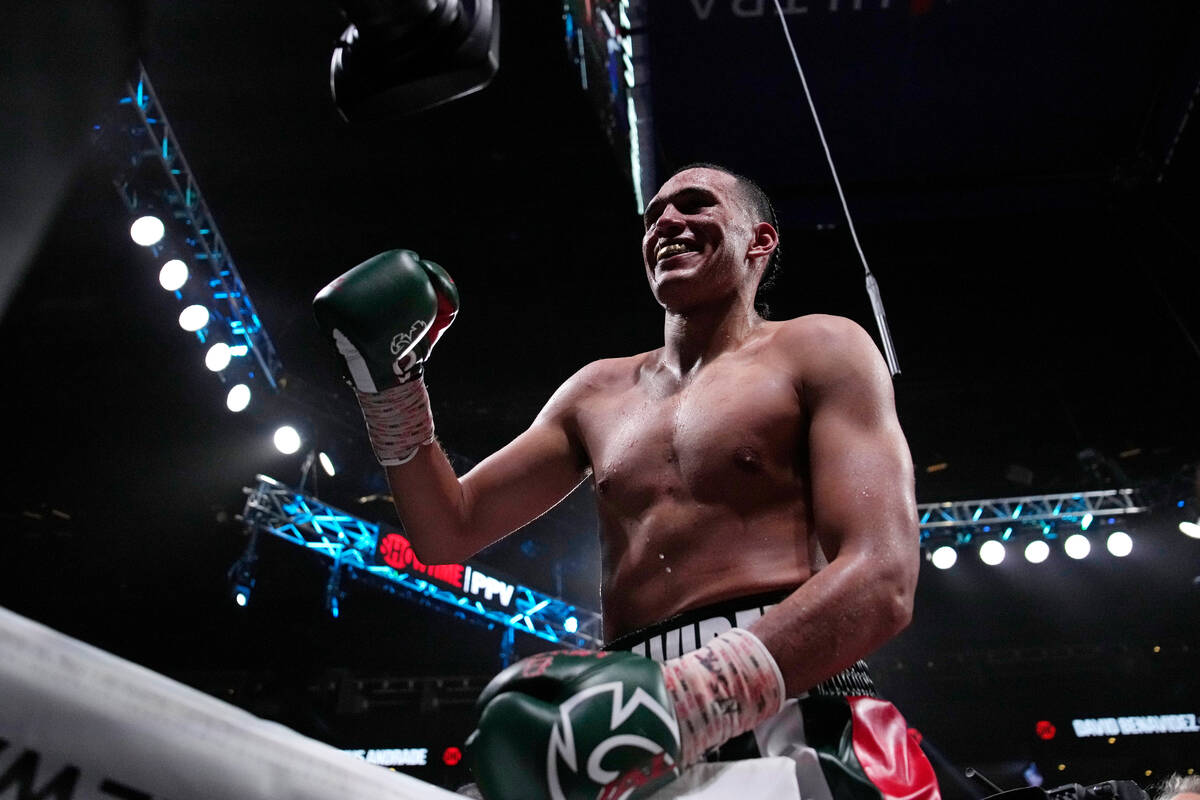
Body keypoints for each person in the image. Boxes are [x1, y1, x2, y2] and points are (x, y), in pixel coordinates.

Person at [314, 164, 939, 800]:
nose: (667, 222)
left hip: (790, 696)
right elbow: (448, 529)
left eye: (695, 205)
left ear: (760, 240)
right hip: (624, 713)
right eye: (654, 216)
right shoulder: (595, 392)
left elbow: (882, 575)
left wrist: (693, 697)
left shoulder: (820, 347)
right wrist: (388, 388)